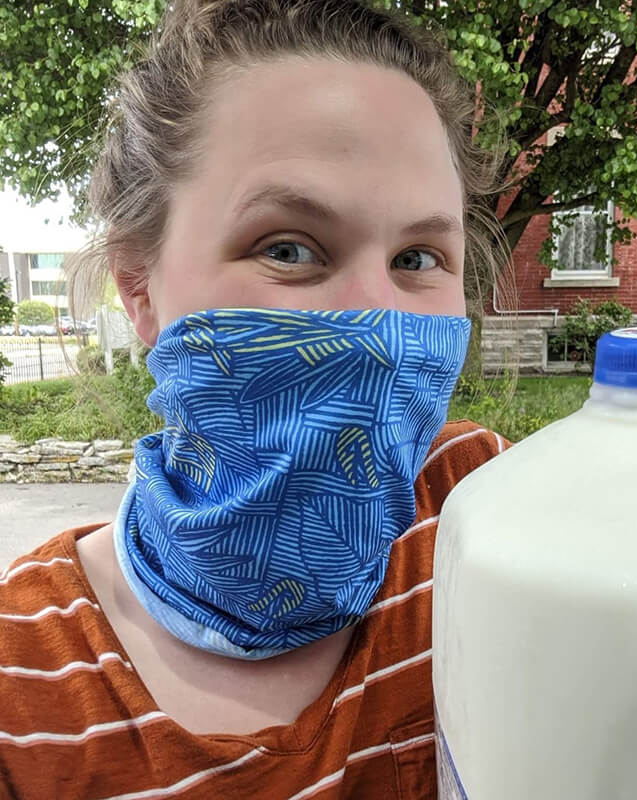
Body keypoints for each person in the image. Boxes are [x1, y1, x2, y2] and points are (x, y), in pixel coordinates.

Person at [0, 1, 511, 797]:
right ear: (139, 288)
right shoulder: (22, 677)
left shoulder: (482, 507)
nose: (378, 322)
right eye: (289, 249)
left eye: (417, 257)